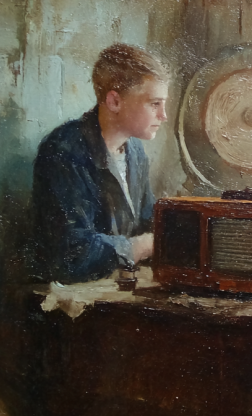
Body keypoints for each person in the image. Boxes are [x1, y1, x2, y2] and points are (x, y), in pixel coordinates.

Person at [32, 43, 168, 283]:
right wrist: (144, 245)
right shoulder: (65, 149)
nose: (163, 115)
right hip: (70, 298)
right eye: (154, 104)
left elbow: (147, 222)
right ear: (115, 101)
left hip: (115, 285)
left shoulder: (135, 151)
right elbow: (72, 254)